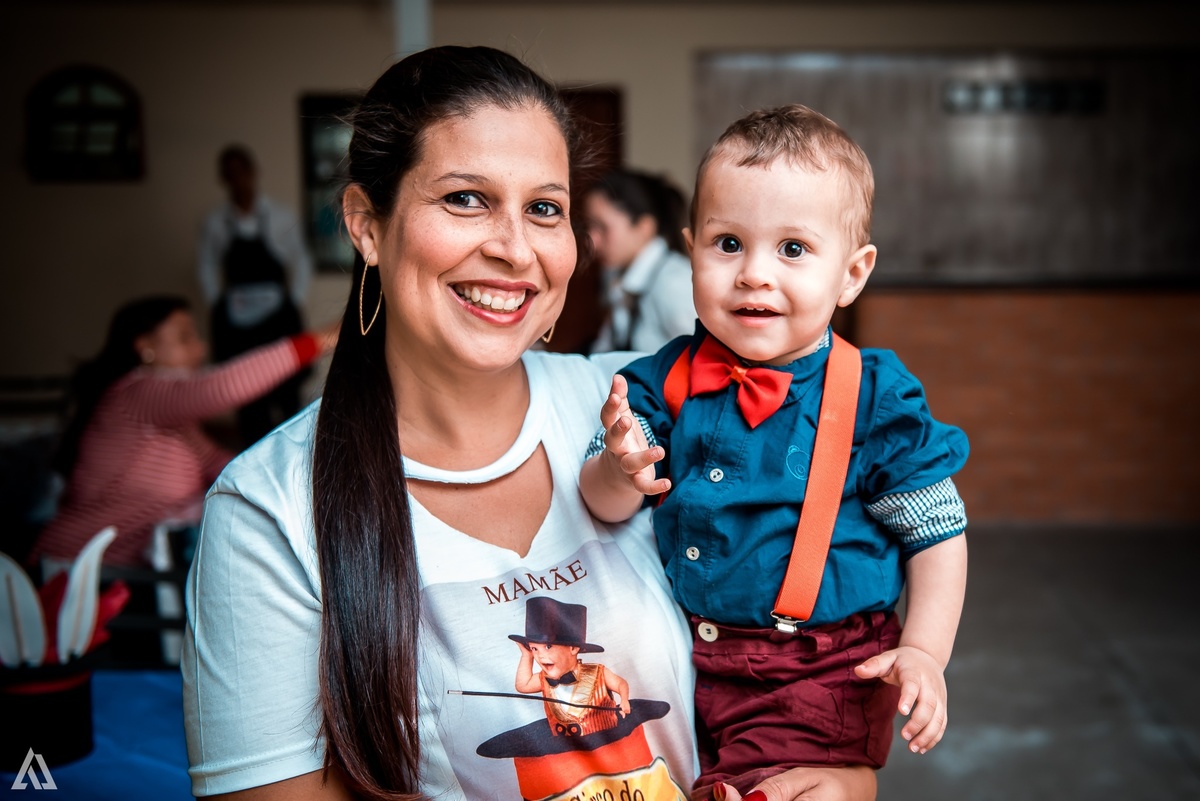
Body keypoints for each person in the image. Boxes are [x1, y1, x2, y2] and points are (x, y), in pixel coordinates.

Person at [181, 48, 876, 801]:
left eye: (545, 208)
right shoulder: (267, 511)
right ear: (366, 225)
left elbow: (807, 663)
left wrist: (839, 780)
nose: (515, 250)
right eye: (466, 199)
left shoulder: (654, 405)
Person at [580, 105, 970, 800]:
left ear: (851, 274)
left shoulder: (874, 396)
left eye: (792, 249)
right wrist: (618, 470)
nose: (754, 274)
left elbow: (936, 530)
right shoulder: (660, 378)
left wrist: (925, 651)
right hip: (686, 660)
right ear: (690, 247)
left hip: (819, 673)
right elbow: (600, 500)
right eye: (728, 244)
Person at [30, 295, 334, 569]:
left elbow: (230, 467)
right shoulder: (136, 394)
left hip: (125, 579)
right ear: (145, 347)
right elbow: (221, 387)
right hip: (70, 574)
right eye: (185, 338)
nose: (200, 349)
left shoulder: (173, 424)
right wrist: (328, 338)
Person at [197, 144, 314, 445]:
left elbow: (300, 260)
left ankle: (294, 453)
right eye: (230, 173)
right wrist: (218, 304)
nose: (238, 179)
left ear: (253, 173)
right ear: (223, 178)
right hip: (238, 320)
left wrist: (293, 302)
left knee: (287, 391)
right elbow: (208, 264)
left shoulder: (280, 216)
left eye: (242, 171)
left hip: (277, 318)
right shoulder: (216, 222)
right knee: (247, 394)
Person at [585, 169, 696, 353]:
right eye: (589, 226)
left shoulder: (675, 284)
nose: (592, 241)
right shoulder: (617, 277)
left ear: (645, 227)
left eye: (602, 228)